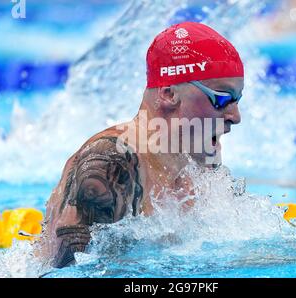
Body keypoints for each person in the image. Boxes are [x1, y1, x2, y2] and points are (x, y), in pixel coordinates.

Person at [36, 22, 245, 268]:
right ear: (169, 94)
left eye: (237, 100)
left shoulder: (201, 164)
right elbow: (67, 271)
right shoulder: (112, 163)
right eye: (222, 99)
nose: (236, 116)